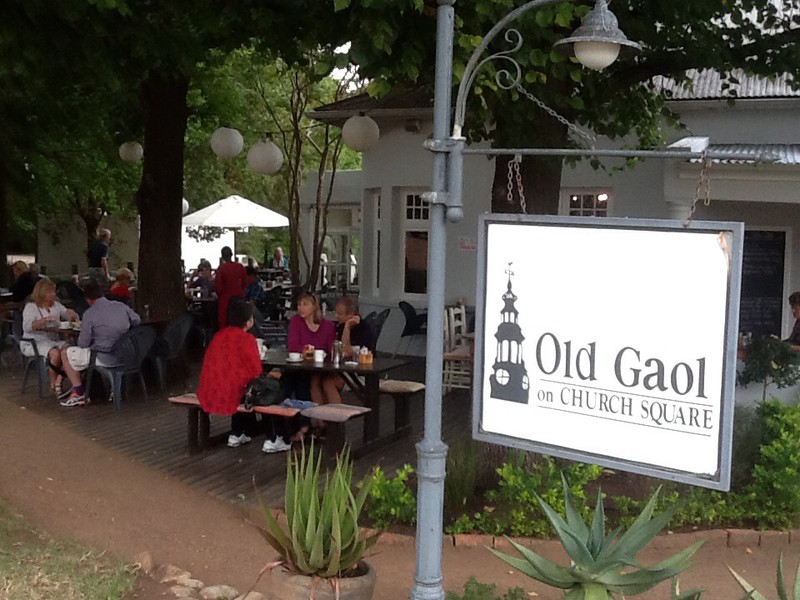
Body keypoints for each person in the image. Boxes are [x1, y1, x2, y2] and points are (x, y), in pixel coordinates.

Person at [196, 299, 265, 449]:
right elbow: (256, 370)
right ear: (248, 321)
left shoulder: (219, 335)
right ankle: (264, 433)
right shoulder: (247, 339)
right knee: (254, 388)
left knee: (239, 384)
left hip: (208, 388)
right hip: (232, 392)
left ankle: (238, 432)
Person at [59, 281, 141, 407]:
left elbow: (83, 343)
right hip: (127, 353)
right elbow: (136, 320)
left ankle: (79, 392)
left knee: (65, 353)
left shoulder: (90, 314)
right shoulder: (120, 306)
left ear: (88, 299)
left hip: (105, 356)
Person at [21, 279, 79, 397]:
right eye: (49, 292)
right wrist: (44, 320)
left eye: (53, 291)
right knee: (55, 353)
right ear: (41, 293)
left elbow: (67, 315)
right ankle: (53, 380)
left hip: (54, 339)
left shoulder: (56, 305)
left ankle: (59, 381)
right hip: (34, 340)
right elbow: (27, 327)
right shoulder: (31, 307)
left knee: (69, 351)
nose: (53, 294)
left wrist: (72, 314)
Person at [320, 296, 375, 405]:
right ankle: (322, 418)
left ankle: (335, 416)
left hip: (360, 371)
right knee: (316, 379)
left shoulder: (363, 329)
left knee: (328, 382)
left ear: (351, 315)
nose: (336, 316)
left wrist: (347, 328)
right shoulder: (339, 326)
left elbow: (347, 351)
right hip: (342, 369)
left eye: (340, 314)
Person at [287, 293, 336, 405]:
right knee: (302, 380)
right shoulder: (296, 321)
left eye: (305, 304)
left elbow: (330, 349)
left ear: (314, 306)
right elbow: (293, 346)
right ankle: (312, 418)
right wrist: (310, 351)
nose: (301, 308)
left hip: (323, 366)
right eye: (299, 305)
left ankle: (331, 418)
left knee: (322, 381)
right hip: (302, 366)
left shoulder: (328, 325)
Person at [214, 246, 247, 328]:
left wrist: (220, 295)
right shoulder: (240, 267)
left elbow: (218, 286)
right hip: (239, 297)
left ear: (222, 256)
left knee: (224, 322)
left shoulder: (221, 269)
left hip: (225, 299)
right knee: (239, 321)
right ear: (231, 255)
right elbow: (245, 282)